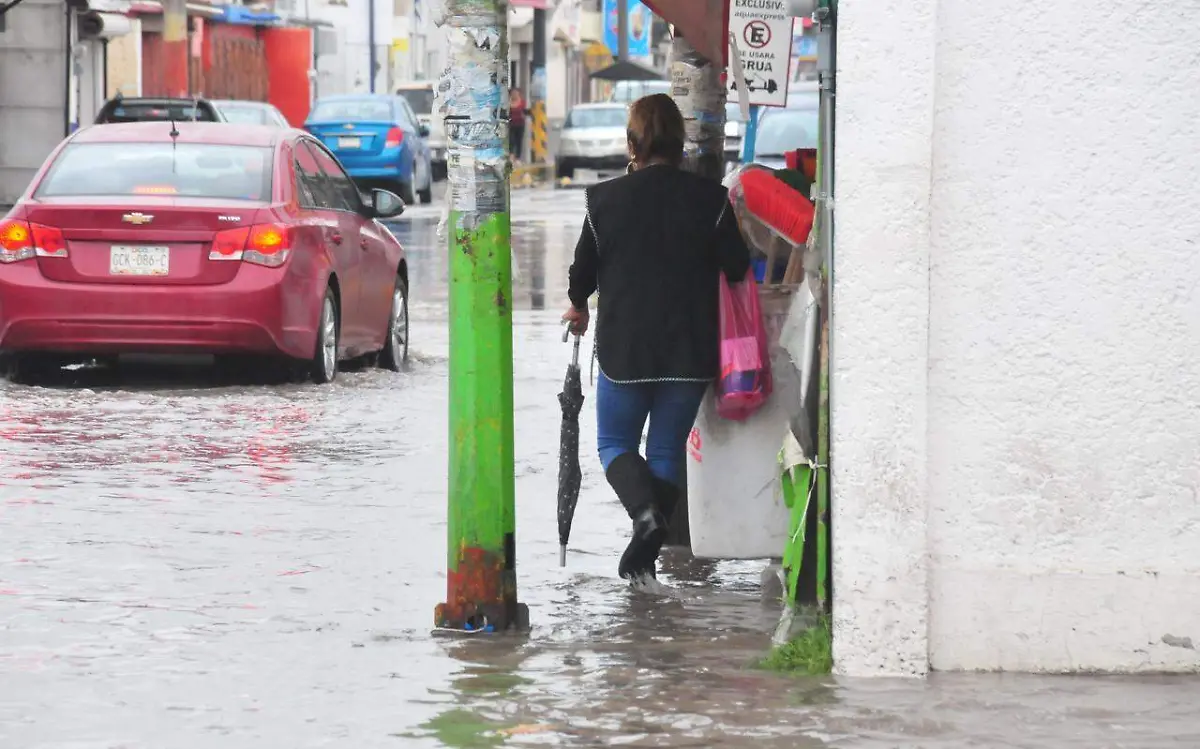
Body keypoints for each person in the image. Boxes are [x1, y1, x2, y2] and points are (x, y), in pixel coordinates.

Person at [563, 94, 752, 581]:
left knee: (614, 445)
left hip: (626, 349)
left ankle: (645, 519)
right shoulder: (711, 201)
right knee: (667, 451)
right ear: (680, 142)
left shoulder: (603, 200)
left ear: (633, 143)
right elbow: (737, 265)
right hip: (690, 349)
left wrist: (579, 305)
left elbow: (583, 271)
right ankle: (644, 562)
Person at [509, 89, 528, 162]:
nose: (514, 95)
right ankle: (511, 155)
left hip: (520, 124)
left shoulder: (522, 103)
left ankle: (518, 158)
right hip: (511, 124)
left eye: (516, 93)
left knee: (519, 141)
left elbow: (526, 112)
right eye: (513, 93)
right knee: (511, 140)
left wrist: (525, 114)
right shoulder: (508, 103)